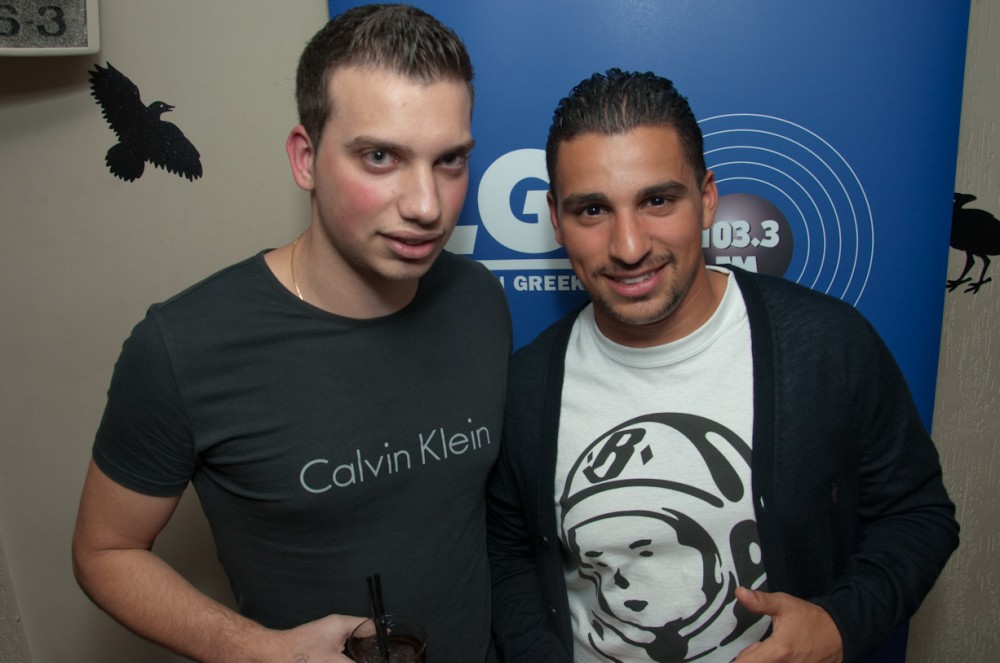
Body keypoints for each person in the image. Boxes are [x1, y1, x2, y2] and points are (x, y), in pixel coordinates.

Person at [72, 5, 510, 662]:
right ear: (306, 159)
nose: (427, 205)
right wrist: (255, 649)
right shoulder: (184, 348)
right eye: (380, 156)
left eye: (449, 160)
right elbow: (104, 550)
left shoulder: (478, 299)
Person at [487, 68, 958, 663]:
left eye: (657, 200)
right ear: (557, 220)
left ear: (707, 199)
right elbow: (509, 556)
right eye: (593, 210)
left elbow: (918, 514)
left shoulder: (826, 345)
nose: (629, 246)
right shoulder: (528, 387)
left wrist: (839, 625)